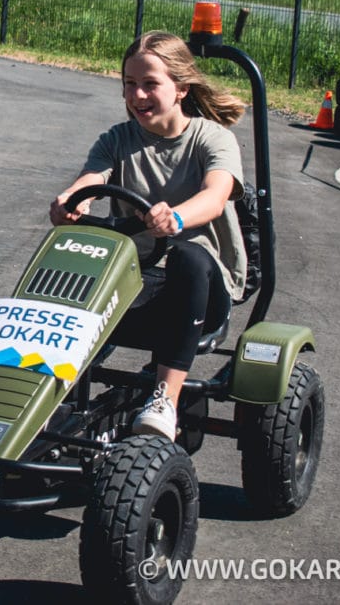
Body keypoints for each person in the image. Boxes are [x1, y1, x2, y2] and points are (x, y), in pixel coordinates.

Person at [49, 31, 248, 442]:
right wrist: (70, 199)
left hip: (203, 288)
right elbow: (92, 177)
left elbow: (215, 196)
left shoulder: (211, 139)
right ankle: (42, 393)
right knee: (72, 251)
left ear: (180, 89)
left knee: (187, 256)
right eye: (129, 83)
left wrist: (175, 218)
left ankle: (165, 398)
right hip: (137, 277)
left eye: (150, 84)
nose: (137, 94)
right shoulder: (118, 139)